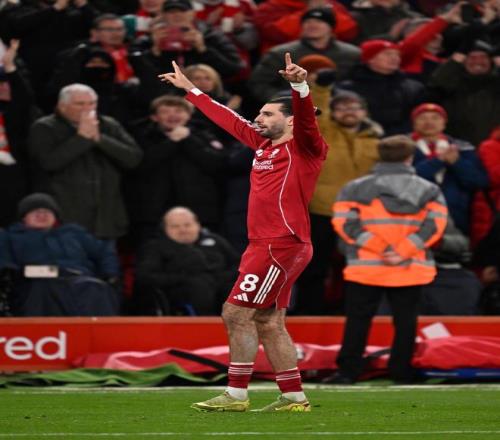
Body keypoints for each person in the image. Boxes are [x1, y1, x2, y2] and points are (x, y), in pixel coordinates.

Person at [158, 52, 328, 411]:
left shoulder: (306, 148)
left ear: (291, 120)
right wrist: (191, 90)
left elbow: (306, 122)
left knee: (235, 313)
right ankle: (293, 396)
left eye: (267, 114)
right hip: (268, 243)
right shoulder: (263, 146)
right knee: (268, 320)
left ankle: (236, 393)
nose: (258, 119)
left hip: (280, 243)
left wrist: (300, 87)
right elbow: (229, 119)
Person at [329, 135, 447, 384]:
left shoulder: (354, 188)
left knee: (358, 320)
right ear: (410, 158)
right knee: (406, 322)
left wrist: (380, 248)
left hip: (366, 267)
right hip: (409, 266)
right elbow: (434, 225)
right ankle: (401, 371)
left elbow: (345, 223)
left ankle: (348, 371)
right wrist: (402, 251)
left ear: (379, 156)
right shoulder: (429, 190)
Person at [294, 90, 381, 315]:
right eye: (341, 108)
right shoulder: (322, 134)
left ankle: (354, 313)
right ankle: (309, 314)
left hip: (362, 214)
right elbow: (312, 114)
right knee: (314, 267)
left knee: (358, 267)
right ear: (332, 113)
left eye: (354, 107)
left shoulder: (377, 139)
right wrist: (322, 88)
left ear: (365, 112)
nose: (348, 112)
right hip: (322, 210)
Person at [28, 83, 143, 240]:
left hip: (106, 218)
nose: (87, 109)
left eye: (92, 103)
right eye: (80, 104)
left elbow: (134, 158)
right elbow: (48, 163)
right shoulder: (44, 127)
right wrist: (81, 138)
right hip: (66, 217)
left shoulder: (109, 125)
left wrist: (100, 139)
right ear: (62, 106)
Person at [125, 94, 227, 248]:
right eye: (165, 111)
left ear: (189, 115)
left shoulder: (204, 134)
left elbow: (217, 164)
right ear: (154, 117)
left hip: (201, 211)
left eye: (179, 111)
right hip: (152, 213)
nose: (172, 115)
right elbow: (138, 165)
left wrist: (188, 140)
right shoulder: (140, 136)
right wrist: (171, 142)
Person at [0, 193, 121, 317]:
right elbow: (4, 261)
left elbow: (104, 252)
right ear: (24, 218)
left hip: (78, 279)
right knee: (41, 292)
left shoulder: (74, 233)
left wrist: (110, 274)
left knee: (97, 289)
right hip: (36, 282)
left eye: (47, 212)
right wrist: (7, 275)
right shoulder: (11, 237)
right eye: (35, 212)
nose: (42, 215)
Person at [134, 206, 239, 315]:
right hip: (181, 290)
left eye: (187, 225)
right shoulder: (155, 247)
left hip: (220, 283)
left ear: (198, 225)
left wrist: (220, 278)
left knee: (235, 289)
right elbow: (145, 276)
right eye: (175, 226)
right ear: (164, 228)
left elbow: (239, 265)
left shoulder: (216, 240)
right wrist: (183, 278)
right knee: (199, 286)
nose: (183, 230)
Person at [248, 7, 360, 104]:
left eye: (319, 21)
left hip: (339, 109)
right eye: (307, 22)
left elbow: (359, 83)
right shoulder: (281, 53)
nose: (312, 25)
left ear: (331, 27)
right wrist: (284, 101)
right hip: (292, 109)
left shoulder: (351, 54)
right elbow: (259, 83)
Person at [411, 102, 488, 235]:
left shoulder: (464, 148)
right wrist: (438, 161)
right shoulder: (401, 147)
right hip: (415, 216)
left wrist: (457, 163)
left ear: (444, 123)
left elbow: (478, 181)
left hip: (457, 216)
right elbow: (404, 179)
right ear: (414, 123)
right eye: (423, 118)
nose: (429, 122)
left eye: (435, 118)